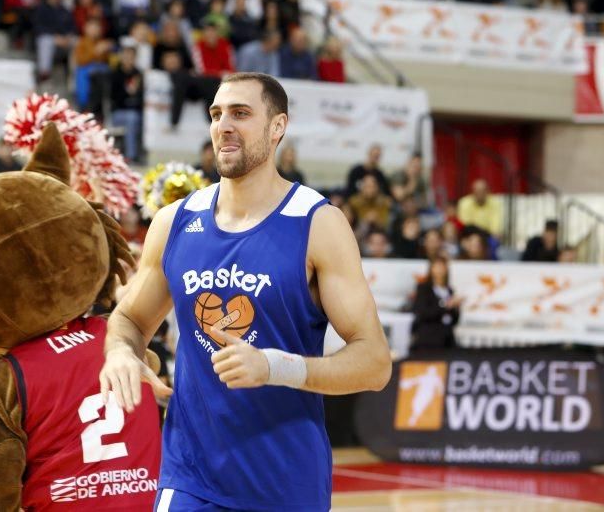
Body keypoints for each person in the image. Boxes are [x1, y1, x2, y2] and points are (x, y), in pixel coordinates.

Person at [98, 72, 392, 511]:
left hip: (286, 480)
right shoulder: (174, 221)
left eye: (241, 113)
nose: (223, 125)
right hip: (190, 475)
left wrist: (276, 367)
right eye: (216, 114)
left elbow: (374, 363)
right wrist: (121, 352)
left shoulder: (317, 224)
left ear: (278, 127)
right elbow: (129, 320)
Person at [410, 256, 462, 352]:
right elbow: (422, 312)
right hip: (429, 339)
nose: (440, 270)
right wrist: (445, 305)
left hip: (447, 339)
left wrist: (456, 308)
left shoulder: (450, 290)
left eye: (442, 267)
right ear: (431, 269)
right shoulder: (424, 289)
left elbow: (454, 320)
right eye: (437, 267)